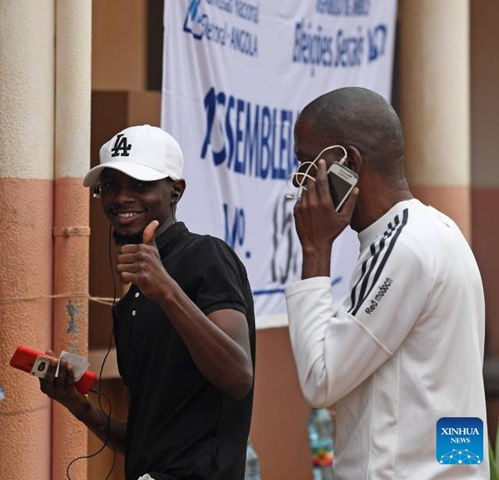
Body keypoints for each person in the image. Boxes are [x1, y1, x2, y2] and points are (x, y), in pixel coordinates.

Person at [286, 87, 487, 478]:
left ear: (349, 162)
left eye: (309, 165)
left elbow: (320, 381)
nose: (300, 182)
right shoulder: (441, 231)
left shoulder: (401, 247)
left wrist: (315, 250)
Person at [40, 125, 256, 479]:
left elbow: (238, 377)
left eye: (140, 184)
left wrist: (166, 291)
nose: (121, 197)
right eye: (110, 185)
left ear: (175, 191)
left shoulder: (206, 256)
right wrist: (78, 406)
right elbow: (141, 441)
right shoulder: (129, 303)